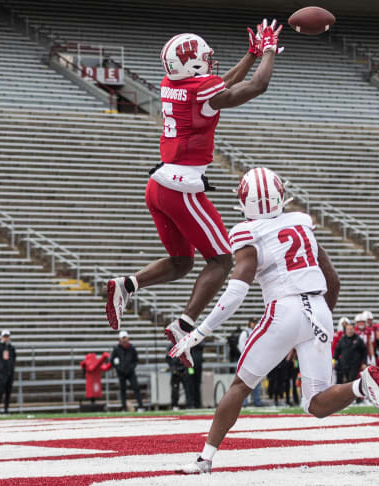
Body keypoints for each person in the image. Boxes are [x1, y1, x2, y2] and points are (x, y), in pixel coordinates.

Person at [169, 167, 379, 474]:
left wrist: (201, 330)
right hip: (319, 308)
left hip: (283, 309)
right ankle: (361, 385)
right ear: (280, 195)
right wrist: (317, 323)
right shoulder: (302, 222)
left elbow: (236, 291)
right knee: (315, 403)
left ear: (243, 202)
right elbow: (334, 279)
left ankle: (204, 459)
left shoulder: (246, 232)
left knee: (239, 386)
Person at [105, 19, 284, 362]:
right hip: (181, 187)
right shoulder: (198, 90)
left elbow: (217, 87)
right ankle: (183, 327)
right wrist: (269, 52)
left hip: (158, 185)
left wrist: (250, 54)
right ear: (190, 63)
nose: (211, 63)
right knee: (221, 260)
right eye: (204, 57)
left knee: (182, 262)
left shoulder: (173, 82)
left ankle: (126, 284)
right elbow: (256, 87)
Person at [110, 330, 144, 411]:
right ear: (120, 339)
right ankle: (124, 407)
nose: (124, 340)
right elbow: (112, 361)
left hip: (130, 372)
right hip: (121, 373)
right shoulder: (116, 349)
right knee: (122, 390)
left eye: (125, 338)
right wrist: (119, 368)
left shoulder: (132, 348)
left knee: (136, 388)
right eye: (123, 338)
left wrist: (130, 368)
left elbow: (135, 360)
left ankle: (141, 406)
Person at [334, 320, 367, 385]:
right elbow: (337, 351)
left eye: (351, 329)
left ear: (354, 330)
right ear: (345, 330)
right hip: (344, 364)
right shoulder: (342, 339)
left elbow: (364, 352)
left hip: (354, 365)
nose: (350, 331)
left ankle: (352, 395)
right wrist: (333, 361)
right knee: (342, 381)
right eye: (348, 329)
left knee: (351, 381)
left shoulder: (358, 339)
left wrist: (364, 363)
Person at [0, 329, 16, 414]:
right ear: (1, 337)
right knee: (0, 391)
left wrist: (11, 369)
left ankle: (6, 409)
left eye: (7, 336)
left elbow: (14, 359)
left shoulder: (11, 348)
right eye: (4, 336)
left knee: (8, 392)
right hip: (2, 373)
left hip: (10, 373)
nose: (6, 338)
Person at [239, 317, 262, 407]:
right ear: (249, 323)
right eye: (253, 322)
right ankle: (244, 402)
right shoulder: (245, 333)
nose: (254, 324)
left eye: (255, 322)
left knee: (256, 382)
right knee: (245, 382)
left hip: (256, 359)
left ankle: (257, 401)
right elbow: (241, 346)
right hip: (248, 360)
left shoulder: (256, 332)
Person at [166, 344, 189, 410]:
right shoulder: (171, 346)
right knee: (175, 389)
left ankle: (189, 404)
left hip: (184, 370)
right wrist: (173, 369)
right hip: (175, 371)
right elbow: (168, 358)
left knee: (187, 388)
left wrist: (186, 368)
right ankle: (174, 405)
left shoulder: (184, 345)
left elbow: (188, 357)